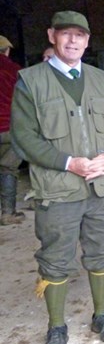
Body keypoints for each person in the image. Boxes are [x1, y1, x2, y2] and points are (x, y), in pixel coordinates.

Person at [10, 10, 104, 344]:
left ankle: (102, 315)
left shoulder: (100, 78)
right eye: (65, 34)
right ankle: (57, 326)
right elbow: (24, 137)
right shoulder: (30, 81)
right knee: (55, 258)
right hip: (58, 189)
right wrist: (68, 162)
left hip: (101, 187)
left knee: (102, 250)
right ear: (52, 36)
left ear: (87, 41)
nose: (73, 40)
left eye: (79, 35)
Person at [0, 35, 25, 225]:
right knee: (8, 168)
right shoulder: (15, 71)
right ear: (7, 51)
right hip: (9, 128)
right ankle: (8, 214)